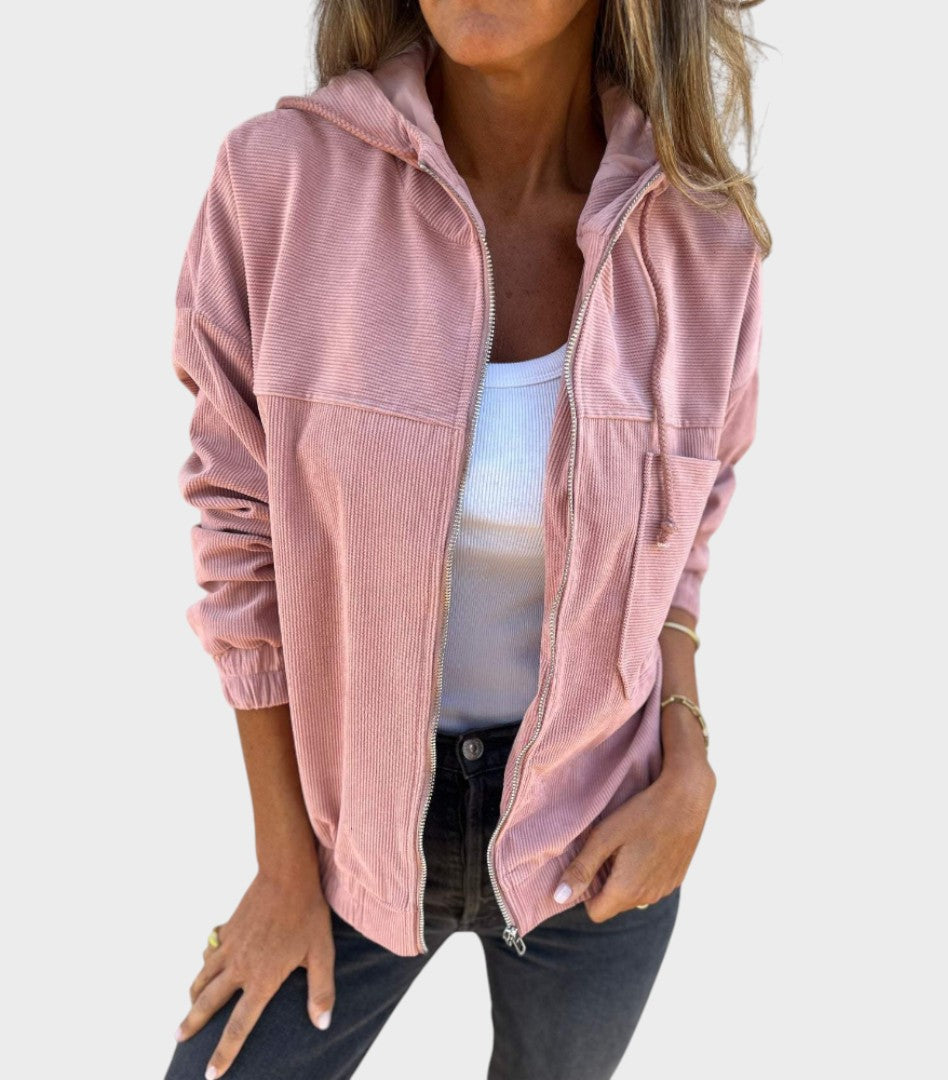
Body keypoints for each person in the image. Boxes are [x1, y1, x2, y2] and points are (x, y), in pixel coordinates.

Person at [164, 1, 769, 1077]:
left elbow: (686, 534)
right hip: (344, 838)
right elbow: (239, 531)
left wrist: (689, 762)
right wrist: (283, 866)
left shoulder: (703, 241)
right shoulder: (281, 181)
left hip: (597, 846)